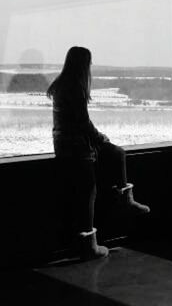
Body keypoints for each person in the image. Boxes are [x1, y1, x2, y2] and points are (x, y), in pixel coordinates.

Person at [46, 46, 150, 260]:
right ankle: (92, 242)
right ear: (84, 65)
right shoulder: (75, 87)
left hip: (64, 145)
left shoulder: (62, 85)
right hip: (77, 146)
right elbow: (83, 122)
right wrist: (100, 138)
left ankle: (90, 239)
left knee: (87, 189)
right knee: (89, 189)